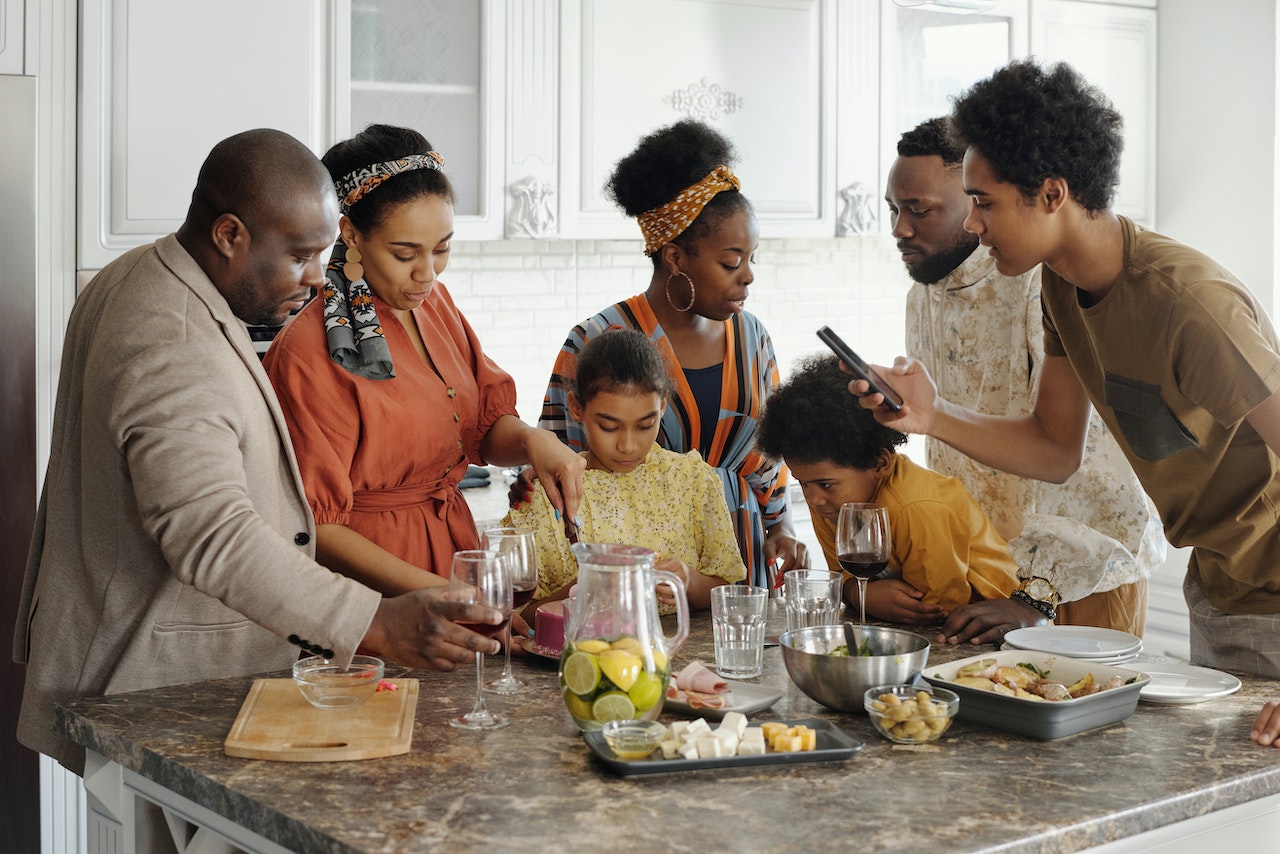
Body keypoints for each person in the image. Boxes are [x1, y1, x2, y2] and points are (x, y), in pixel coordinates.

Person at [14, 129, 504, 776]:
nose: (314, 278)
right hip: (156, 679)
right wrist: (372, 622)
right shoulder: (174, 342)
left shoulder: (135, 274)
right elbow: (209, 533)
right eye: (300, 256)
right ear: (229, 235)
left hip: (130, 658)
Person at [846, 60, 1280, 744]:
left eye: (984, 202)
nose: (976, 226)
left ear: (1051, 194)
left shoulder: (1190, 305)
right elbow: (1053, 448)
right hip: (1224, 590)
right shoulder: (1061, 288)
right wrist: (930, 416)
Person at [263, 125, 584, 597]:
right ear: (350, 234)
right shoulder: (308, 351)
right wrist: (439, 597)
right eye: (405, 253)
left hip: (455, 558)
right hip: (372, 593)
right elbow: (315, 526)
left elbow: (480, 430)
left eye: (442, 249)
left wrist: (537, 443)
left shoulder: (434, 306)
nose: (427, 273)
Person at [886, 116, 1167, 638]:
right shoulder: (920, 296)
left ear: (973, 200)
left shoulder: (1046, 284)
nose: (900, 228)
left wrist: (1039, 592)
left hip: (1079, 585)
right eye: (893, 210)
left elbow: (1093, 464)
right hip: (982, 582)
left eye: (918, 210)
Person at [533, 119, 804, 588]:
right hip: (641, 577)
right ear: (676, 258)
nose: (748, 277)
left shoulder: (753, 336)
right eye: (730, 262)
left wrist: (782, 527)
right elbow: (558, 469)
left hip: (742, 575)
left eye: (752, 259)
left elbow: (769, 461)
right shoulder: (594, 340)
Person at [756, 354, 1022, 617]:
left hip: (992, 622)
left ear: (880, 463)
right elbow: (843, 577)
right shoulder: (833, 505)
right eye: (803, 484)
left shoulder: (918, 508)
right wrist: (860, 595)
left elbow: (939, 608)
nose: (813, 499)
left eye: (825, 484)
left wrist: (862, 596)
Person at [505, 329, 746, 614]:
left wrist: (689, 581)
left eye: (646, 425)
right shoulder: (547, 495)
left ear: (663, 406)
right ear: (576, 408)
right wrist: (580, 589)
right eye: (609, 427)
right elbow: (517, 618)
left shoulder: (693, 481)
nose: (628, 445)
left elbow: (727, 590)